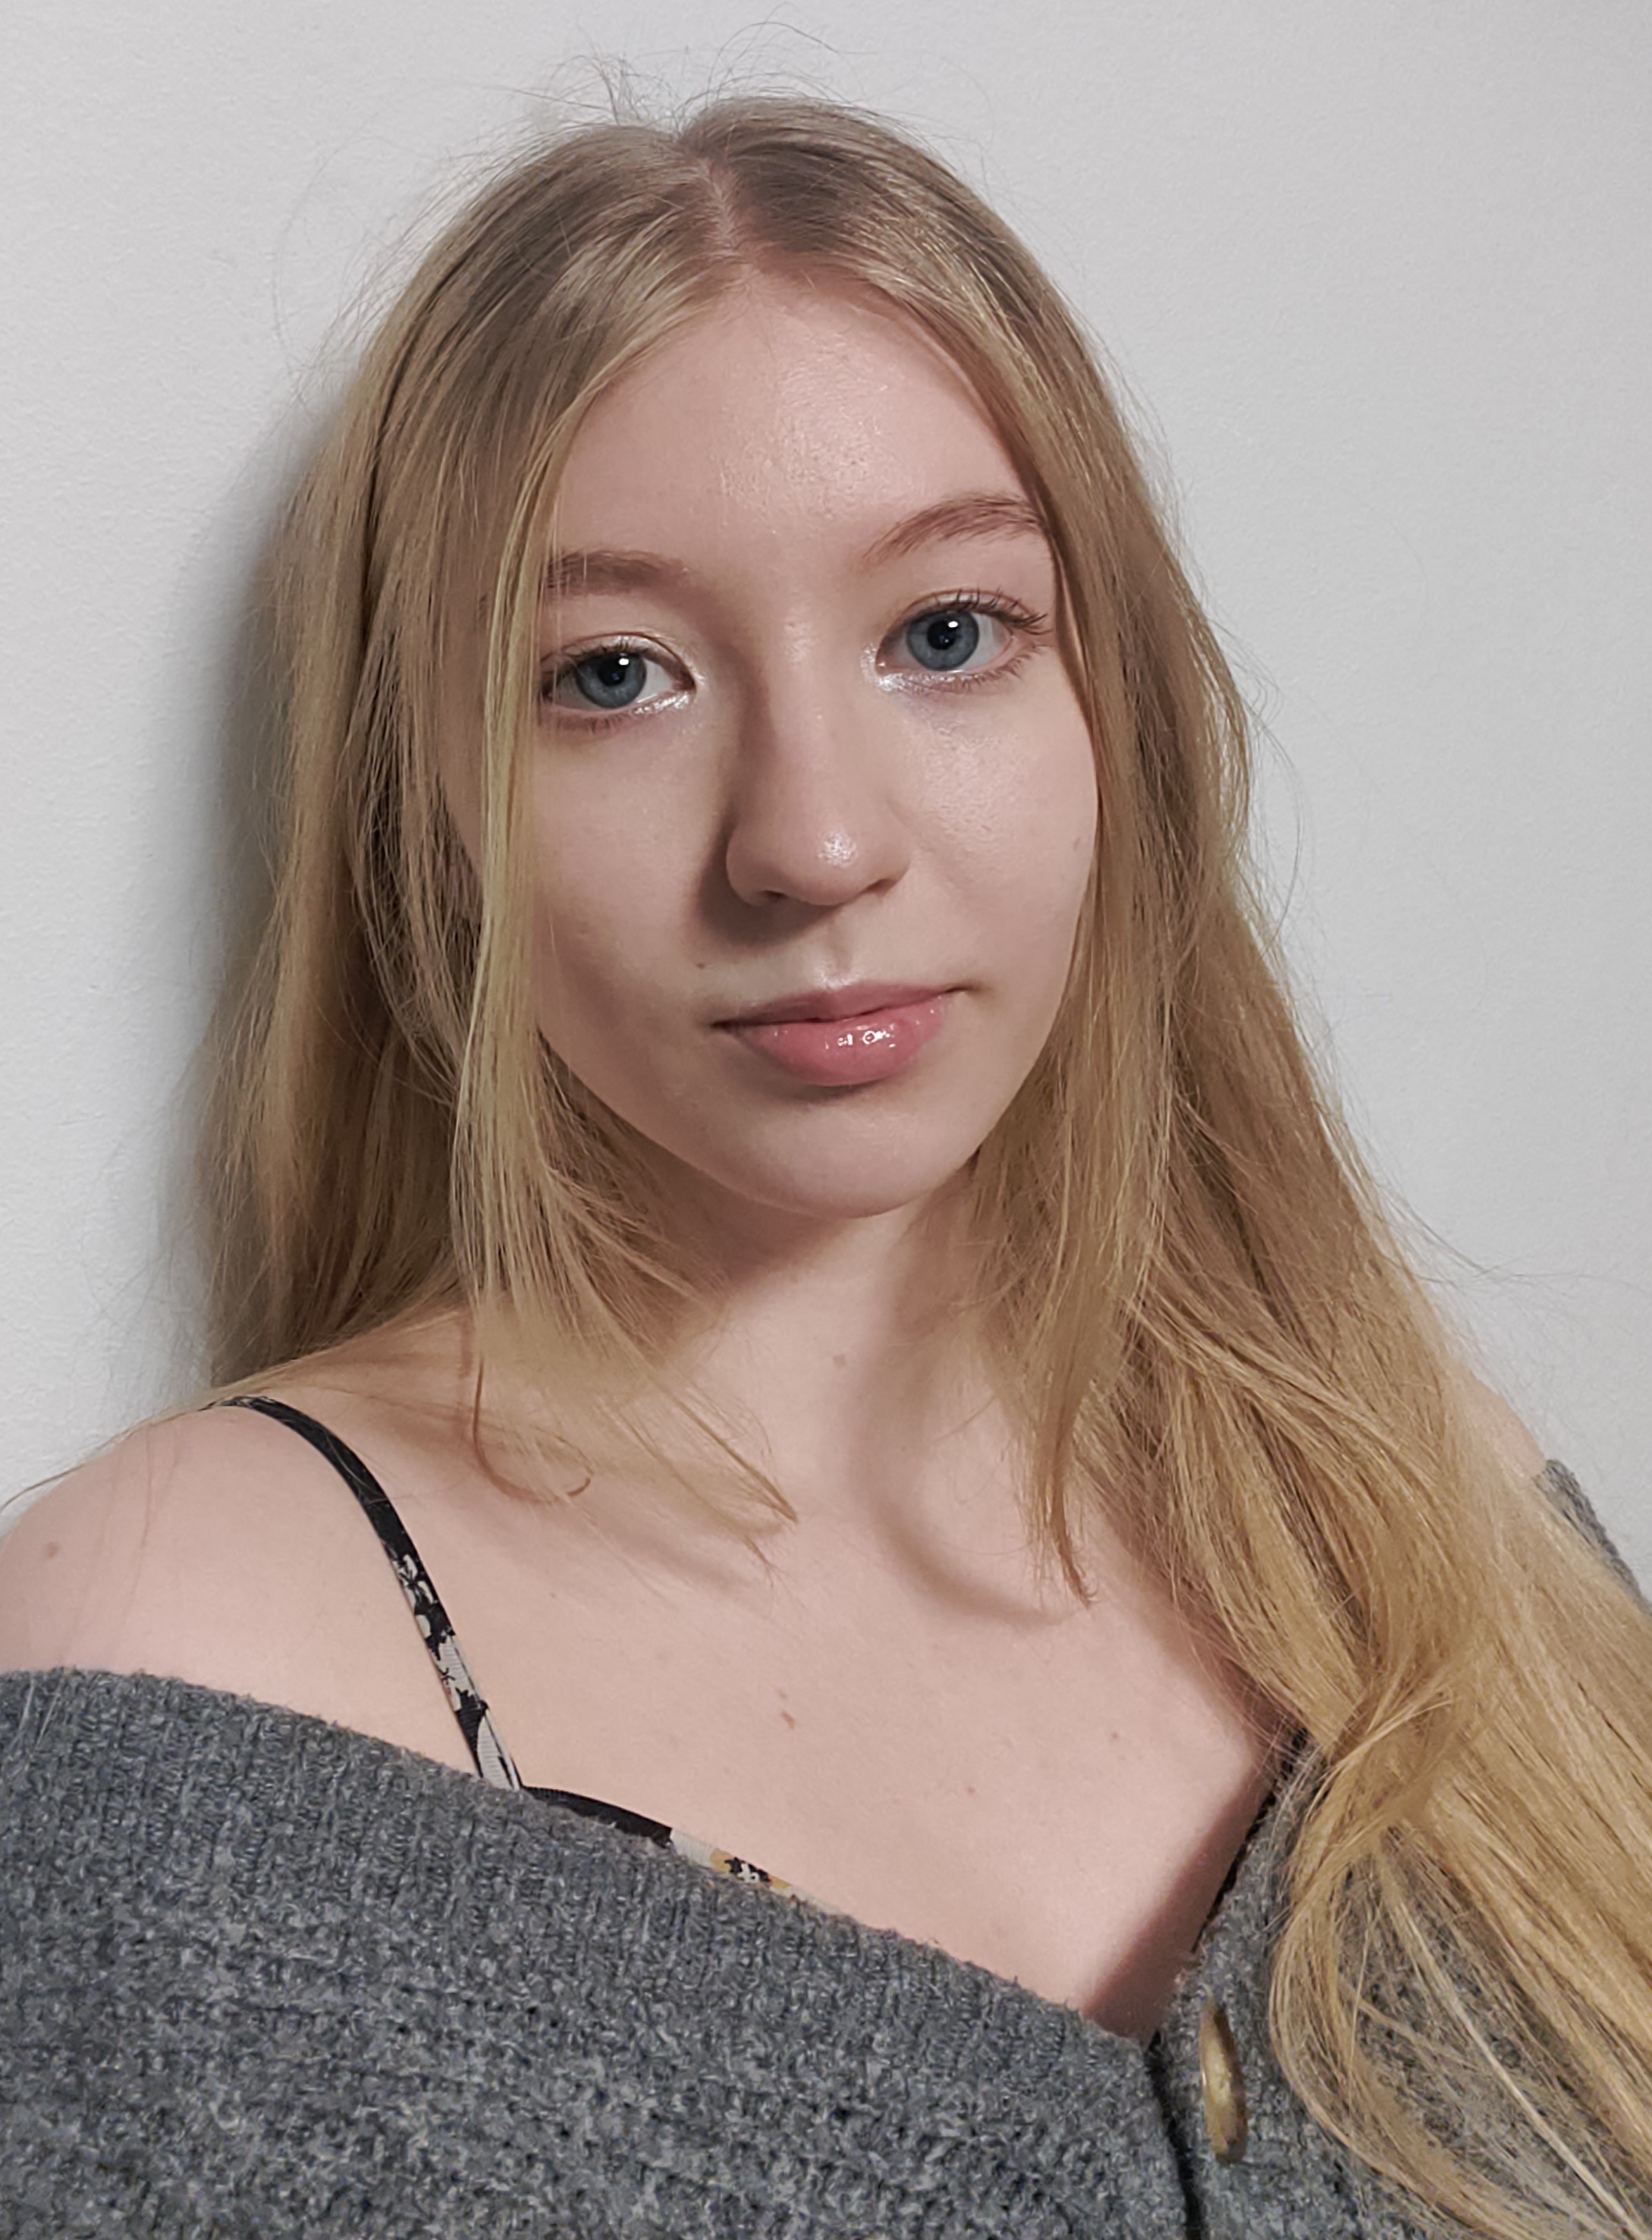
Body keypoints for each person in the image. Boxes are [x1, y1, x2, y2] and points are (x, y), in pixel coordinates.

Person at [0, 89, 1648, 2240]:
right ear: (428, 806)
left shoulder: (1410, 1502)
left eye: (945, 634)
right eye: (612, 677)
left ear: (1117, 716)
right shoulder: (180, 1662)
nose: (814, 840)